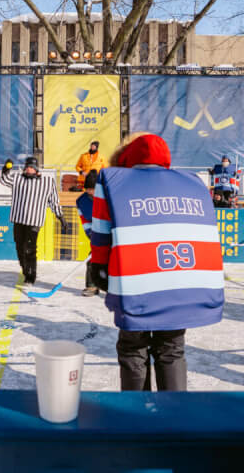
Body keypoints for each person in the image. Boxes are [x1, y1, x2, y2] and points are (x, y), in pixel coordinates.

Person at [91, 133, 224, 391]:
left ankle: (139, 414)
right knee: (171, 349)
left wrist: (98, 266)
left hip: (135, 282)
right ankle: (173, 416)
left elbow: (100, 231)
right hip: (180, 280)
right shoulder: (192, 184)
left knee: (133, 349)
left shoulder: (112, 181)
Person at [0, 156, 64, 284]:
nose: (28, 169)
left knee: (30, 248)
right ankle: (25, 268)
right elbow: (4, 180)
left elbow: (54, 201)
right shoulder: (17, 178)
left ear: (36, 169)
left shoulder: (48, 181)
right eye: (26, 167)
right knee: (19, 246)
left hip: (35, 220)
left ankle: (31, 275)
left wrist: (61, 216)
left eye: (31, 167)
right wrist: (6, 169)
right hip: (19, 218)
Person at [75, 169, 101, 297]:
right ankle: (92, 286)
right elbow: (84, 220)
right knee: (92, 259)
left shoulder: (108, 197)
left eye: (93, 188)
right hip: (95, 234)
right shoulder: (81, 201)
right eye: (88, 188)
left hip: (112, 232)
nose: (90, 191)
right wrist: (91, 234)